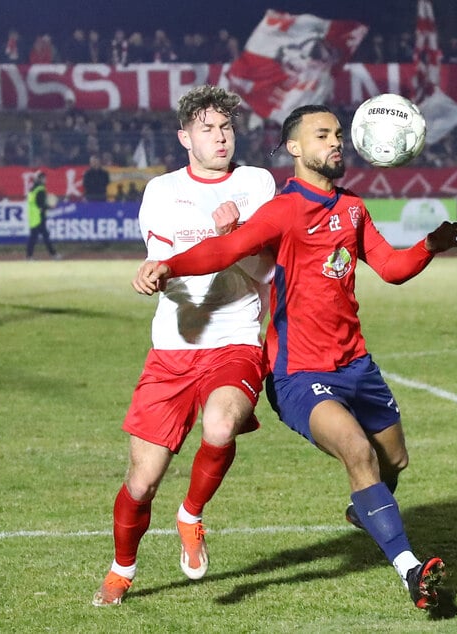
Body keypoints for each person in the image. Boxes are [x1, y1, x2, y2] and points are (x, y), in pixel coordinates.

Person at [134, 104, 457, 610]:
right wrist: (170, 265)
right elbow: (221, 253)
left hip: (357, 365)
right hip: (299, 373)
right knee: (357, 453)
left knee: (393, 461)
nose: (336, 142)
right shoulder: (285, 208)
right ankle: (411, 571)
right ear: (295, 148)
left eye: (339, 134)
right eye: (323, 135)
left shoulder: (353, 208)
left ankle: (367, 510)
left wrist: (429, 244)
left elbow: (391, 268)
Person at [92, 85, 276, 607]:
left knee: (221, 425)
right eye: (207, 129)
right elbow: (164, 263)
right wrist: (152, 277)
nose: (219, 138)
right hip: (173, 347)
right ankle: (121, 568)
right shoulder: (163, 191)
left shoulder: (256, 182)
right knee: (142, 480)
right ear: (184, 137)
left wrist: (235, 233)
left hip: (235, 339)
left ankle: (191, 515)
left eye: (226, 128)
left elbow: (267, 268)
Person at [25, 170, 60, 260]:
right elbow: (41, 204)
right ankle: (53, 254)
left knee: (35, 237)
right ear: (41, 179)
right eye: (44, 178)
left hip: (34, 216)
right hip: (39, 217)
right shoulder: (40, 189)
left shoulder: (32, 188)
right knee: (43, 237)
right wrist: (50, 207)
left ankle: (29, 256)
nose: (46, 180)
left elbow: (35, 203)